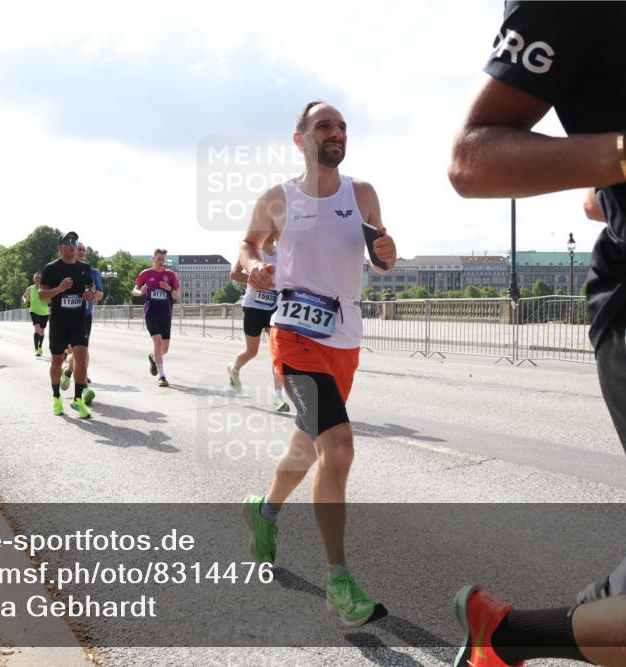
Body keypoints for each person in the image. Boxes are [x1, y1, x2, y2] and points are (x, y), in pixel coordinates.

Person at [447, 3, 626, 666]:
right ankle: (514, 631)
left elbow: (600, 196)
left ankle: (571, 605)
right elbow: (469, 158)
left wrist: (616, 180)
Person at [238, 100, 396, 627]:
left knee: (306, 450)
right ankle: (340, 581)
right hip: (295, 338)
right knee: (340, 447)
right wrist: (255, 266)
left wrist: (388, 253)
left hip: (345, 340)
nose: (336, 132)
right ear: (300, 136)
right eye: (325, 125)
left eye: (343, 126)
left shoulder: (363, 194)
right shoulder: (278, 199)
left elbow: (381, 255)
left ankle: (264, 511)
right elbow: (245, 248)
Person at [227, 232, 289, 412]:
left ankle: (278, 397)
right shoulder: (253, 252)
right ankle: (234, 368)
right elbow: (234, 274)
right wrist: (255, 278)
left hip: (274, 308)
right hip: (253, 307)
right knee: (251, 351)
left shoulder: (283, 253)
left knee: (278, 353)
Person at [39, 231, 95, 419]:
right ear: (60, 247)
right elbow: (42, 295)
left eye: (74, 241)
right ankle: (56, 398)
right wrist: (60, 289)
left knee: (81, 358)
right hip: (59, 321)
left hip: (78, 320)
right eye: (67, 241)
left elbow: (90, 287)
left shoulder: (85, 267)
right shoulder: (51, 268)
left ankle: (78, 400)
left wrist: (90, 294)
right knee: (56, 361)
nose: (72, 244)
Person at [61, 241, 103, 403]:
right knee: (76, 351)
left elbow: (99, 296)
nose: (80, 252)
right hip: (66, 316)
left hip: (84, 316)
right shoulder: (62, 269)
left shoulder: (92, 272)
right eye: (78, 249)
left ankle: (69, 371)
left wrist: (91, 293)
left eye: (83, 250)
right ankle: (83, 388)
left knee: (81, 352)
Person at [132, 249, 180, 387]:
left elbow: (177, 295)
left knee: (164, 349)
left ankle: (153, 358)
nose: (161, 262)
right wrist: (140, 291)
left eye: (163, 259)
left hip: (166, 314)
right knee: (157, 343)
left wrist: (168, 288)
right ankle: (162, 377)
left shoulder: (170, 275)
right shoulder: (146, 274)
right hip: (151, 313)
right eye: (158, 259)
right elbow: (134, 290)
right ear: (153, 259)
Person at [23, 272, 50, 357]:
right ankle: (36, 349)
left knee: (42, 332)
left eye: (39, 278)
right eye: (36, 278)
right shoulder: (30, 288)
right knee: (37, 330)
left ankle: (40, 347)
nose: (38, 279)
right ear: (34, 279)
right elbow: (24, 296)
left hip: (44, 312)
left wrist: (48, 299)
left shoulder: (45, 288)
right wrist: (25, 300)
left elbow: (50, 300)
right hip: (34, 311)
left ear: (41, 279)